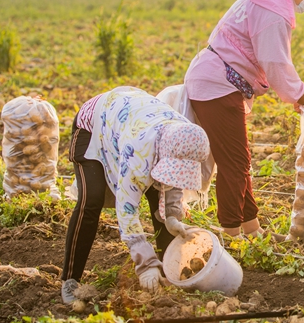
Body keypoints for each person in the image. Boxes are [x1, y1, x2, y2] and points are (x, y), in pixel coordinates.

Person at [185, 0, 304, 239]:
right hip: (217, 85)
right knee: (235, 162)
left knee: (237, 159)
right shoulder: (274, 11)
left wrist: (298, 98)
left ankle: (251, 228)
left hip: (217, 80)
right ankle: (230, 233)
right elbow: (276, 65)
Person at [61, 86, 209, 304]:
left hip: (127, 119)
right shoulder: (139, 153)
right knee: (90, 200)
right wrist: (145, 263)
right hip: (93, 123)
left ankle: (169, 271)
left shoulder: (188, 136)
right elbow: (126, 210)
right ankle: (70, 279)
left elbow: (174, 179)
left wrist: (172, 215)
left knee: (157, 192)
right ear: (160, 152)